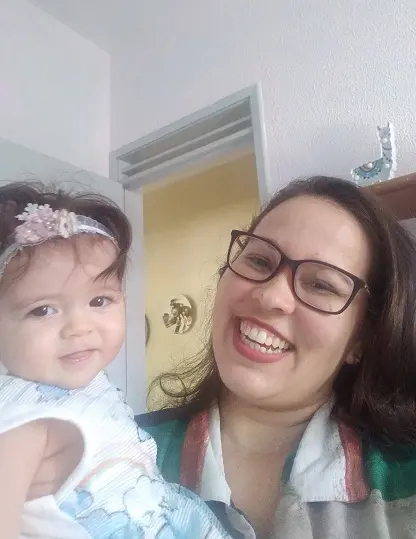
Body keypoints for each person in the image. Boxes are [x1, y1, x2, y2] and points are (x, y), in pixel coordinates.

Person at [139, 176, 416, 539]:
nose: (271, 296)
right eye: (258, 260)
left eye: (320, 284)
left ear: (360, 339)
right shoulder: (116, 452)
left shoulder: (404, 481)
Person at [0, 182, 253, 539]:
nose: (80, 327)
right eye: (42, 310)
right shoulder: (21, 419)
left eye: (99, 301)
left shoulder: (87, 387)